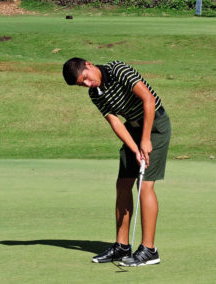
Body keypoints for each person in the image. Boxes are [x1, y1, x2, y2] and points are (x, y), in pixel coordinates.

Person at [62, 58, 171, 267]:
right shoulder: (95, 93)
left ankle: (149, 249)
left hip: (155, 125)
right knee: (122, 184)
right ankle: (122, 247)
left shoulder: (118, 70)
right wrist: (134, 148)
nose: (86, 84)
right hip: (133, 129)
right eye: (80, 84)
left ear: (89, 64)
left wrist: (146, 140)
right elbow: (115, 122)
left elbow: (148, 100)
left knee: (145, 185)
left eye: (85, 78)